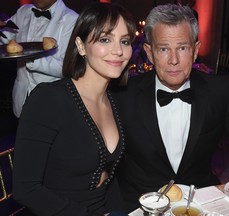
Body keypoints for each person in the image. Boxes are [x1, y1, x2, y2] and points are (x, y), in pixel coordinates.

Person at [112, 4, 229, 212]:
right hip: (140, 204)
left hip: (200, 202)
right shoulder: (123, 94)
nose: (173, 60)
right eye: (163, 49)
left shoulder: (219, 92)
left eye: (182, 48)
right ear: (149, 53)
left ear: (195, 50)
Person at [12, 2, 136, 215]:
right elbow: (26, 189)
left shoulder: (115, 100)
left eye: (125, 41)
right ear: (80, 46)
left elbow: (109, 179)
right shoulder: (48, 99)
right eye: (105, 39)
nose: (118, 51)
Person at [0, 0, 78, 118]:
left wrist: (31, 60)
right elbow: (6, 40)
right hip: (21, 101)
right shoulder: (23, 11)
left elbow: (68, 68)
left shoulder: (72, 20)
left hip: (52, 105)